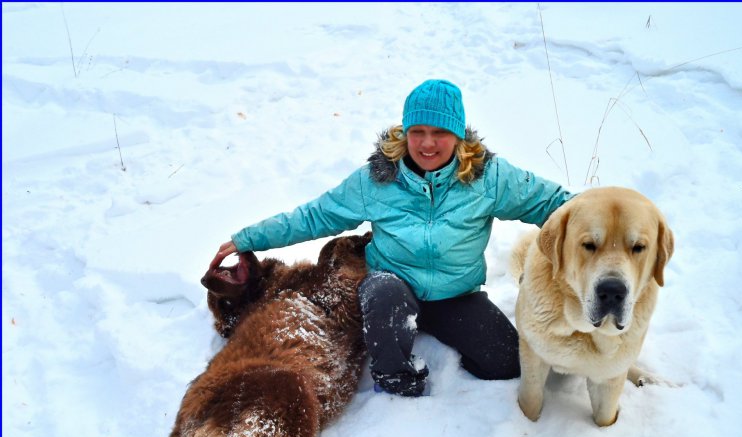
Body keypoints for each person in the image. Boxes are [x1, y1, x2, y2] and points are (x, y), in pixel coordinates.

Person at [212, 79, 574, 397]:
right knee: (381, 292)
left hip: (456, 295)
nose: (427, 143)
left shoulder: (488, 177)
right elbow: (317, 215)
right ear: (405, 133)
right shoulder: (377, 179)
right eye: (418, 131)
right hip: (394, 284)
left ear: (459, 136)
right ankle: (395, 376)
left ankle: (446, 339)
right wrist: (250, 238)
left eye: (440, 133)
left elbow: (553, 204)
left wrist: (610, 221)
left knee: (508, 362)